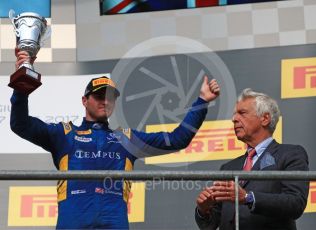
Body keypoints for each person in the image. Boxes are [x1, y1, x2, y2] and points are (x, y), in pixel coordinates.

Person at [10, 49, 220, 229]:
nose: (105, 102)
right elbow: (20, 124)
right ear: (84, 100)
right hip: (72, 222)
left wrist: (201, 102)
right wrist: (23, 82)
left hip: (114, 222)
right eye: (99, 96)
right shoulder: (64, 134)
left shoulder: (126, 139)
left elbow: (178, 139)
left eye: (110, 97)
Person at [195, 88, 309, 230]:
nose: (234, 119)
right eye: (235, 114)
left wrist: (249, 198)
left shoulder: (290, 154)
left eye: (242, 113)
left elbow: (295, 203)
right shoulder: (228, 168)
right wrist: (204, 210)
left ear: (265, 118)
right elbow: (210, 225)